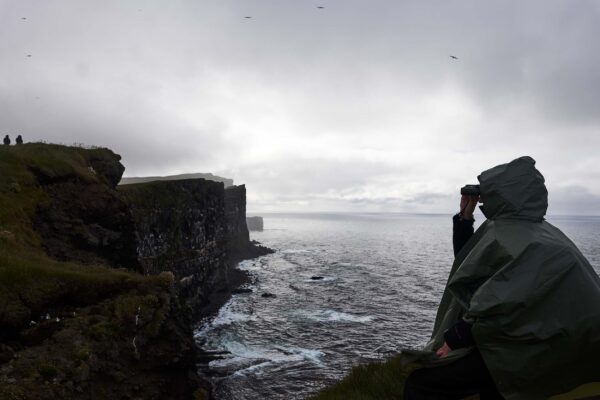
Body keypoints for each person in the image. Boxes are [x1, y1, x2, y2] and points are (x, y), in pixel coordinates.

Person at [403, 156, 600, 400]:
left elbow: (498, 299)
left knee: (421, 385)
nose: (485, 197)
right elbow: (470, 264)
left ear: (506, 194)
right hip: (527, 337)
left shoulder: (528, 241)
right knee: (492, 388)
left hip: (530, 347)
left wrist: (453, 340)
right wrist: (465, 217)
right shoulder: (533, 231)